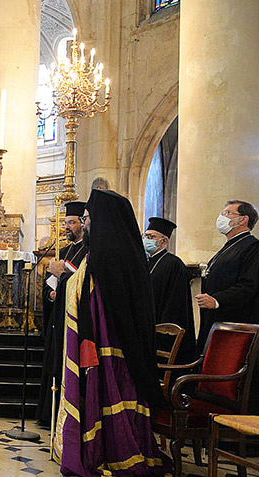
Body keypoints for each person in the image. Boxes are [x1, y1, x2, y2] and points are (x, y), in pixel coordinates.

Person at [53, 190, 166, 476]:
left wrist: (64, 279)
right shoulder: (120, 252)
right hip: (113, 344)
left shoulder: (108, 255)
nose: (85, 224)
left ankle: (113, 452)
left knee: (112, 396)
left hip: (110, 347)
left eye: (88, 218)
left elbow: (94, 297)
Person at [35, 201, 88, 427]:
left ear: (82, 224)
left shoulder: (88, 253)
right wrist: (51, 294)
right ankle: (48, 414)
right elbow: (50, 284)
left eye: (71, 222)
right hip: (58, 316)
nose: (67, 227)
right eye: (65, 223)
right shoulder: (62, 252)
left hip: (74, 319)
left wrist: (63, 282)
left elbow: (82, 284)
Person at [195, 200, 259, 350]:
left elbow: (248, 285)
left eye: (227, 213)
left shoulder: (253, 247)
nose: (221, 217)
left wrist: (217, 300)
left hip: (236, 322)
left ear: (243, 219)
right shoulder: (230, 246)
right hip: (216, 318)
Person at [143, 217, 196, 363]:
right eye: (145, 236)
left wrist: (161, 329)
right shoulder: (146, 262)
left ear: (164, 241)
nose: (146, 240)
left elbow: (176, 303)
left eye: (151, 237)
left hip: (164, 327)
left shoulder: (174, 264)